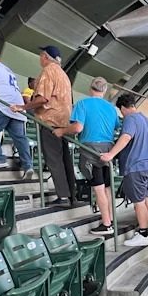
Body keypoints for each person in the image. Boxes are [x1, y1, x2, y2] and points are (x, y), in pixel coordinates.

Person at [10, 46, 76, 207]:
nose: (40, 58)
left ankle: (63, 196)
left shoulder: (48, 72)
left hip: (50, 122)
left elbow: (43, 99)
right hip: (64, 122)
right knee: (65, 160)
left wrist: (22, 107)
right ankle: (72, 194)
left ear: (45, 57)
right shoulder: (63, 74)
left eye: (41, 55)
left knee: (53, 160)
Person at [55, 77, 119, 237]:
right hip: (108, 148)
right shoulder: (111, 108)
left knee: (98, 188)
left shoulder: (83, 103)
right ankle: (110, 219)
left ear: (90, 88)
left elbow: (77, 128)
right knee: (107, 188)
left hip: (91, 149)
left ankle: (106, 224)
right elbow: (116, 126)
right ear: (104, 91)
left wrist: (62, 131)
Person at [100, 94, 148, 247]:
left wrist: (111, 154)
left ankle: (143, 233)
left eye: (121, 111)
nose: (122, 114)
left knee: (138, 202)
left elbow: (126, 137)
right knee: (147, 199)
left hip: (136, 166)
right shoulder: (146, 119)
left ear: (124, 108)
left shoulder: (130, 119)